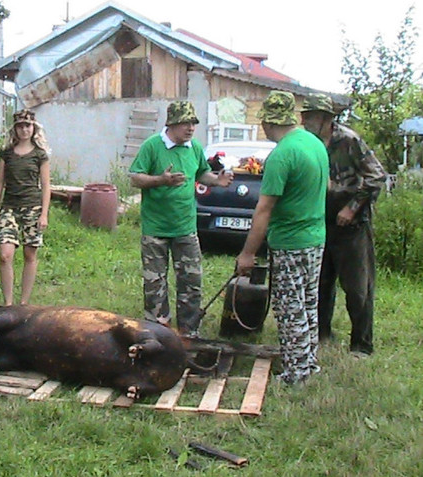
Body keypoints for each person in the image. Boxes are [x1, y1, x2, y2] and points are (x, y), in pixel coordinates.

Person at [236, 91, 329, 385]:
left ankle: (296, 374)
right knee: (308, 303)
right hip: (316, 238)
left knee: (290, 308)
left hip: (290, 241)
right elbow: (324, 187)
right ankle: (309, 362)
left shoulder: (282, 155)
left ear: (268, 122)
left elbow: (264, 209)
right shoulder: (314, 143)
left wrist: (248, 254)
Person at [129, 101, 233, 336]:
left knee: (191, 281)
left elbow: (201, 173)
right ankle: (158, 330)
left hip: (185, 227)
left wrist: (217, 180)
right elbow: (135, 177)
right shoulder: (152, 146)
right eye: (186, 123)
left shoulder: (194, 148)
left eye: (193, 123)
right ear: (172, 124)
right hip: (156, 227)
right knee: (155, 283)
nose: (191, 128)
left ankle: (188, 331)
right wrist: (160, 180)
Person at [301, 93, 386, 357]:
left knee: (358, 288)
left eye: (309, 116)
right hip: (320, 221)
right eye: (303, 115)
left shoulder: (349, 140)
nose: (304, 120)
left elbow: (376, 176)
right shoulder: (308, 143)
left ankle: (361, 344)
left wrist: (352, 208)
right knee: (320, 282)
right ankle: (321, 334)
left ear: (325, 118)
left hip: (352, 224)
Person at [0, 109, 51, 305]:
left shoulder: (40, 155)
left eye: (28, 125)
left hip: (32, 208)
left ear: (33, 128)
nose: (24, 129)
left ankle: (23, 303)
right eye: (20, 126)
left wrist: (44, 214)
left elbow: (46, 186)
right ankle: (8, 303)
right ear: (15, 129)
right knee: (5, 254)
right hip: (9, 207)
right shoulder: (7, 154)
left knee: (29, 254)